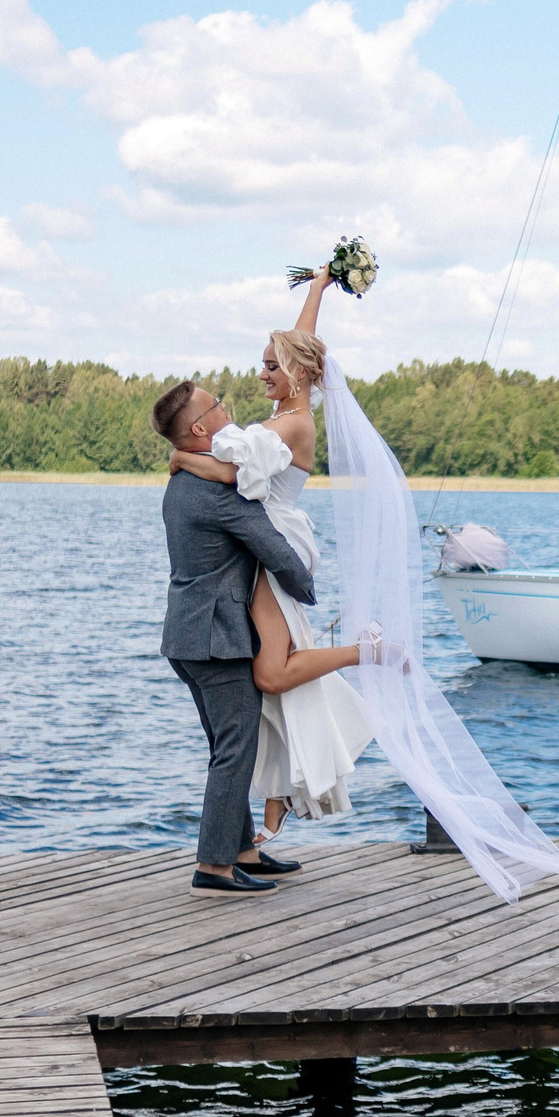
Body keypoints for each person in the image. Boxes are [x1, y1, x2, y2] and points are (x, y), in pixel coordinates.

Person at [167, 277, 398, 861]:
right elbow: (305, 341)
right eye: (263, 363)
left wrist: (181, 456)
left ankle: (364, 653)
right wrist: (320, 286)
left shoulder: (290, 426)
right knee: (268, 686)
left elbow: (229, 475)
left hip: (275, 546)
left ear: (299, 373)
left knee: (270, 676)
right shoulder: (285, 409)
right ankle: (269, 809)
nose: (262, 374)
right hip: (266, 540)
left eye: (273, 366)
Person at [152, 374, 325, 899]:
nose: (228, 410)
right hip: (216, 639)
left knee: (228, 747)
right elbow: (273, 549)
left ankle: (243, 849)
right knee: (234, 750)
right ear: (201, 428)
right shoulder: (216, 492)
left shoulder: (183, 482)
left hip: (188, 635)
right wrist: (306, 588)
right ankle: (214, 867)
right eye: (219, 406)